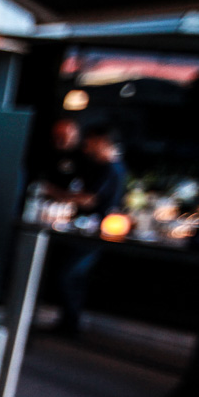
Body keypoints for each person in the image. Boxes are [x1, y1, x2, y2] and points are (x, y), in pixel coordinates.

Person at [55, 125, 127, 335]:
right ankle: (70, 322)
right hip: (90, 230)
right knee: (73, 276)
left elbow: (89, 200)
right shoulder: (103, 167)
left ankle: (71, 324)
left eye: (91, 141)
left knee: (68, 275)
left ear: (102, 142)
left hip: (96, 232)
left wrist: (56, 193)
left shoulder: (111, 168)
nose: (87, 145)